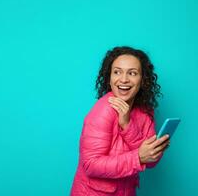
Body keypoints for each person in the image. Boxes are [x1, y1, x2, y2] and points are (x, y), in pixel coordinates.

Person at [70, 46, 170, 196]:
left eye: (132, 73)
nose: (123, 79)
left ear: (143, 80)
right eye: (117, 72)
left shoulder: (145, 112)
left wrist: (128, 126)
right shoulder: (102, 110)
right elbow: (90, 165)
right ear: (109, 77)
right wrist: (138, 157)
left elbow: (151, 162)